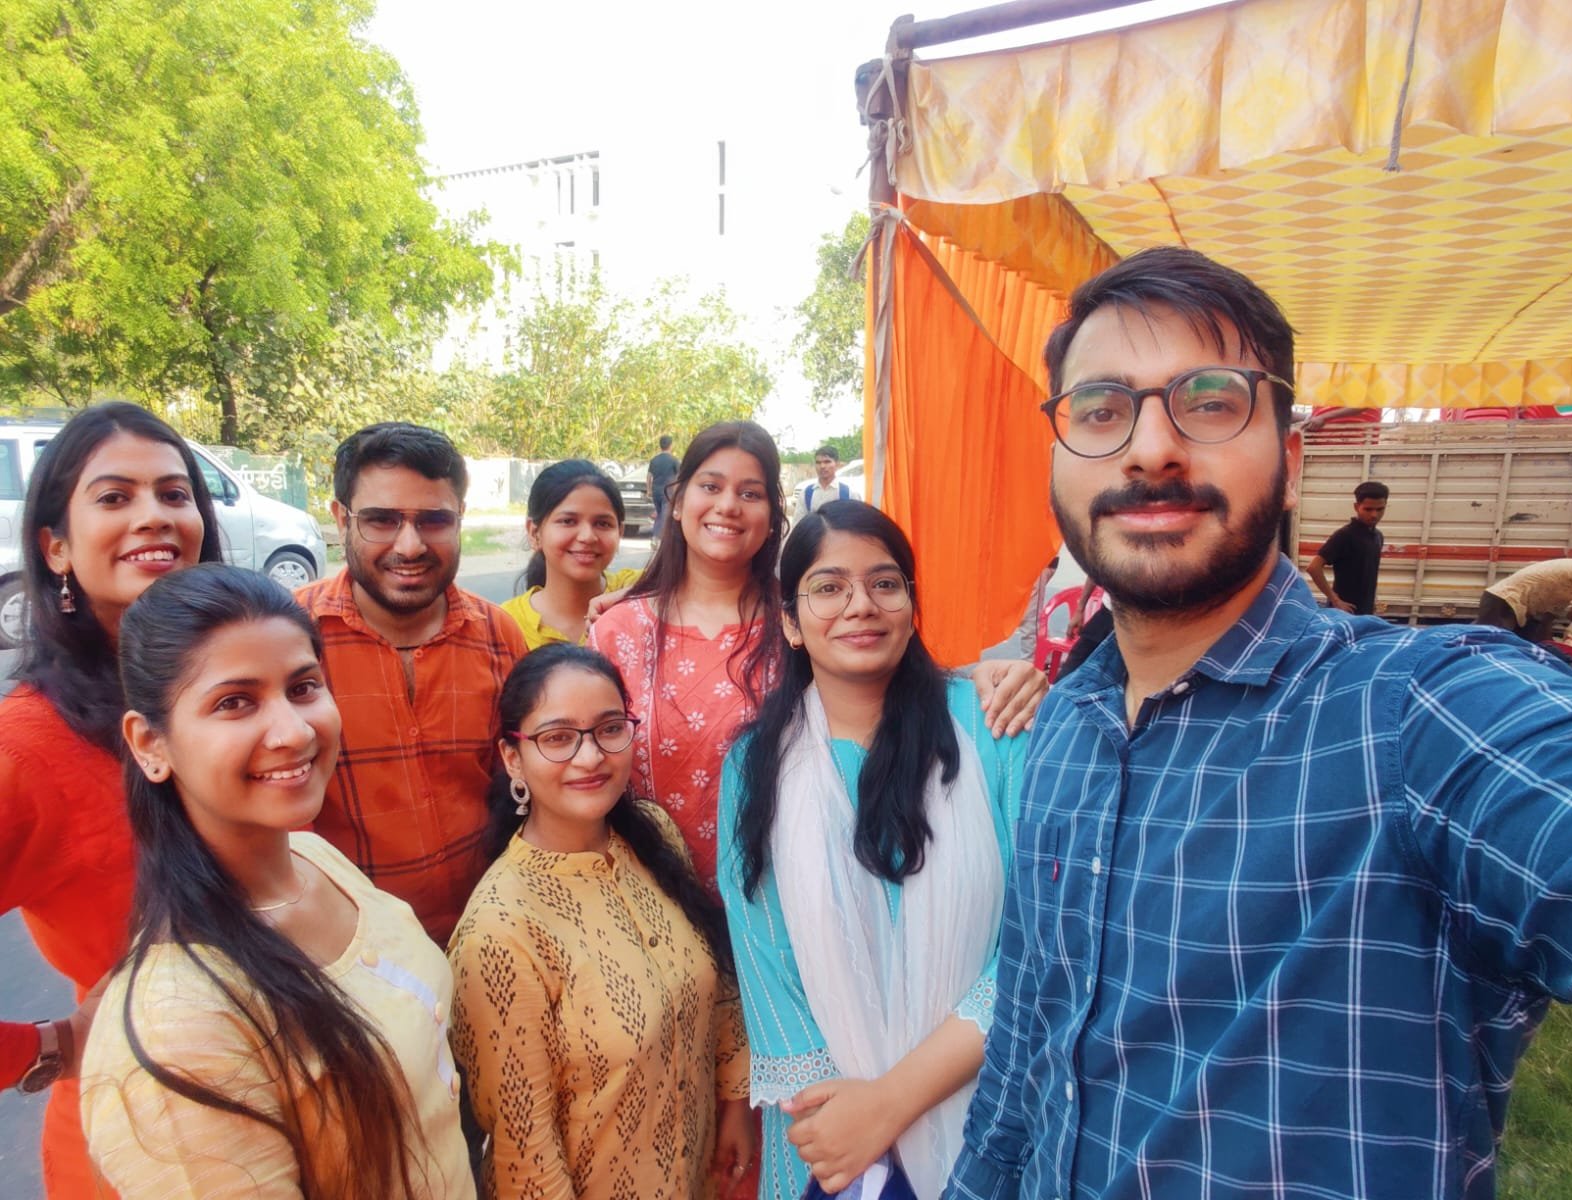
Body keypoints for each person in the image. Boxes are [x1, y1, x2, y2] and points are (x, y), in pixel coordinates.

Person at [945, 247, 1572, 1200]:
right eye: (1101, 409)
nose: (1150, 448)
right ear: (1057, 460)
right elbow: (1024, 1058)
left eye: (1210, 402)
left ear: (1289, 464)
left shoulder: (1414, 715)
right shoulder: (1069, 729)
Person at [79, 565, 471, 1199]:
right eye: (235, 702)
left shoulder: (316, 859)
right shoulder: (179, 1032)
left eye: (303, 687)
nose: (294, 731)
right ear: (150, 743)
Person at [719, 501, 1028, 1200]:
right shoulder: (755, 765)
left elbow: (1033, 943)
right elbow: (766, 960)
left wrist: (891, 1103)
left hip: (987, 1110)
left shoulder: (995, 727)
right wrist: (842, 1127)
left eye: (885, 584)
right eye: (829, 587)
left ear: (912, 608)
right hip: (824, 1135)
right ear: (791, 622)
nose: (861, 605)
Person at [590, 420, 1042, 890]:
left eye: (750, 493)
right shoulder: (619, 631)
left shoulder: (811, 617)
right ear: (678, 500)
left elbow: (890, 683)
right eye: (711, 486)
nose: (728, 505)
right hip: (651, 897)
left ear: (773, 516)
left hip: (795, 890)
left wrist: (986, 679)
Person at [0, 401, 223, 1197]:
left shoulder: (241, 692)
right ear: (55, 546)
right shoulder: (28, 746)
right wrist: (47, 1046)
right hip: (138, 1148)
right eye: (115, 496)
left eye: (174, 493)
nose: (154, 516)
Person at [449, 644, 755, 1199]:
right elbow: (526, 1156)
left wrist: (734, 1101)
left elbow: (717, 981)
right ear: (513, 758)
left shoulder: (653, 835)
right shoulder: (499, 931)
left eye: (610, 729)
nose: (590, 756)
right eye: (558, 737)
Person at [296, 422, 525, 945]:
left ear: (460, 517)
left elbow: (519, 789)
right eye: (381, 520)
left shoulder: (498, 636)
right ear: (341, 519)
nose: (410, 545)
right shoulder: (289, 638)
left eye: (434, 520)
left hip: (484, 938)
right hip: (345, 953)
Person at [501, 459, 642, 650]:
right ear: (534, 533)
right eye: (568, 521)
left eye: (602, 524)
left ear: (620, 532)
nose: (587, 537)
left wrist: (633, 598)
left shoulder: (642, 590)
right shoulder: (504, 625)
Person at [1474, 556, 1572, 644]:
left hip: (1518, 606)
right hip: (1505, 600)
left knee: (1525, 649)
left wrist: (1549, 647)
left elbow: (1547, 619)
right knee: (1487, 645)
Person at [1307, 479, 1388, 614]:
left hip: (1365, 611)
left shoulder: (1377, 536)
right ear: (1356, 507)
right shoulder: (1345, 535)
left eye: (1380, 509)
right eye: (1368, 509)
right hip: (1344, 613)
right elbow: (1313, 568)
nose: (1374, 515)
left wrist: (1371, 601)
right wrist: (1335, 600)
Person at [801, 446, 851, 513]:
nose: (822, 466)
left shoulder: (849, 494)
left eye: (827, 462)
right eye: (818, 462)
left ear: (837, 464)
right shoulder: (805, 494)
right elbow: (800, 519)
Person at [649, 434, 679, 545]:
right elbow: (679, 477)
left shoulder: (654, 460)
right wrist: (677, 491)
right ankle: (661, 540)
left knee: (659, 514)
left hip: (655, 491)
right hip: (667, 492)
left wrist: (649, 490)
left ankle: (655, 538)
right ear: (671, 445)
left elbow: (649, 476)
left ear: (660, 445)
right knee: (665, 516)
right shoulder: (674, 460)